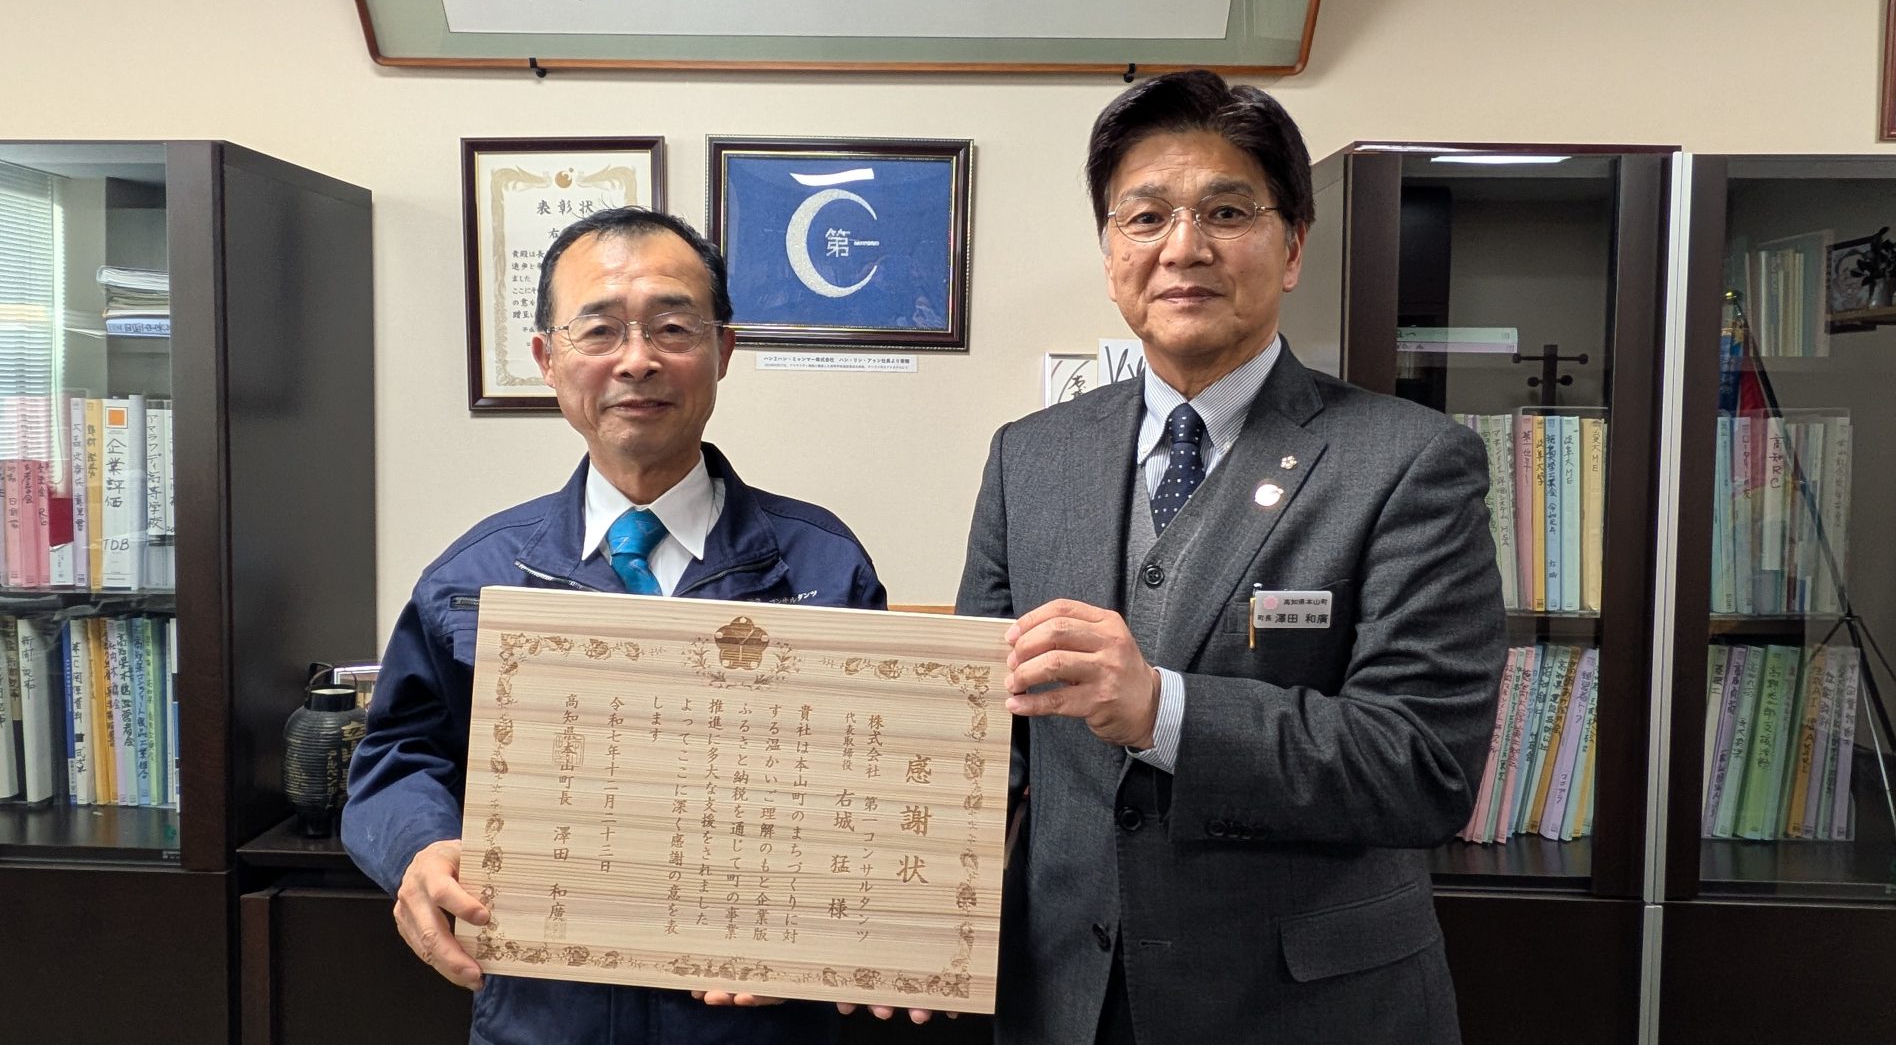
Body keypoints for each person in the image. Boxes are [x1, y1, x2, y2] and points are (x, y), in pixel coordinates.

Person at [956, 71, 1504, 1045]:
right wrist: (894, 914)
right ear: (1109, 254)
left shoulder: (1409, 461)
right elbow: (979, 734)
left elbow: (1420, 765)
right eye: (1145, 217)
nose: (1183, 247)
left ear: (1291, 248)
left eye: (1225, 211)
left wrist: (1162, 711)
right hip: (1068, 1000)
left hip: (1305, 1007)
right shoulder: (1028, 457)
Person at [343, 206, 884, 1045]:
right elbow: (399, 757)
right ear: (546, 359)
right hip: (544, 1017)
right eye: (599, 330)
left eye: (673, 327)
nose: (637, 360)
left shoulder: (822, 565)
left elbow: (877, 794)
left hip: (759, 1024)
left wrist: (833, 926)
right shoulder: (476, 577)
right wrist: (420, 846)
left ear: (723, 350)